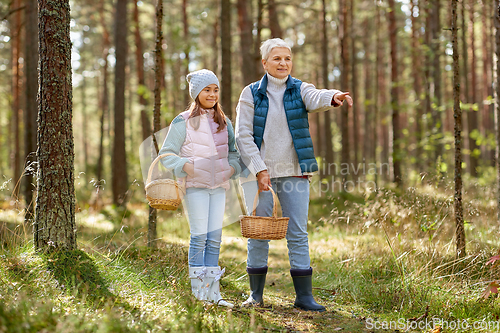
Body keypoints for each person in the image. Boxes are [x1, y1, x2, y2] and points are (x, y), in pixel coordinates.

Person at [235, 38, 353, 312]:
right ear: (264, 63)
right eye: (276, 58)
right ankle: (256, 295)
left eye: (287, 58)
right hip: (257, 174)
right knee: (259, 233)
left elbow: (315, 97)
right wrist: (259, 169)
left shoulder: (299, 88)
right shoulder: (250, 93)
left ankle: (304, 297)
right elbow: (242, 136)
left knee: (298, 233)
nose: (283, 63)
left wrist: (333, 96)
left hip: (294, 172)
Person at [159, 69, 241, 308]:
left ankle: (213, 293)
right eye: (207, 90)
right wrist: (187, 166)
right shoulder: (182, 121)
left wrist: (231, 170)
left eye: (215, 90)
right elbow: (166, 155)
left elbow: (235, 153)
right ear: (196, 93)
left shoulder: (224, 122)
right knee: (199, 236)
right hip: (194, 186)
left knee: (215, 238)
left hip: (219, 187)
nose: (212, 94)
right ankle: (198, 294)